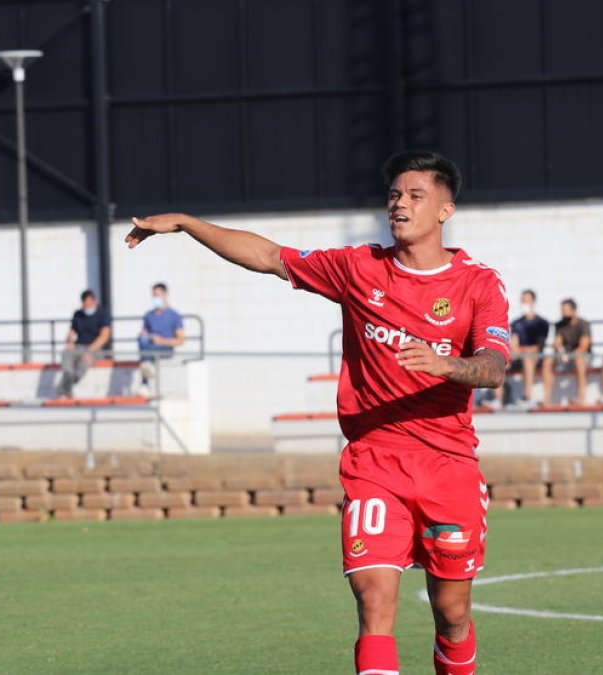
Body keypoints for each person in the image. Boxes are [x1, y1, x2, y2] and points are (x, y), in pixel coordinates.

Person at [126, 150, 508, 675]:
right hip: (375, 460)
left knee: (453, 613)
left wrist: (446, 364)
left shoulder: (478, 283)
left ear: (446, 210)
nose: (400, 205)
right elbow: (269, 256)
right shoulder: (359, 267)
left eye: (416, 196)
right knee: (374, 602)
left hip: (449, 465)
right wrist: (190, 225)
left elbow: (493, 366)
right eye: (395, 195)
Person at [496, 289, 548, 409]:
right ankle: (497, 397)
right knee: (499, 359)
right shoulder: (516, 323)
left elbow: (539, 346)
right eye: (523, 300)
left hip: (535, 358)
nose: (524, 303)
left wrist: (521, 350)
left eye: (527, 300)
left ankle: (527, 396)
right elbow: (514, 343)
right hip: (519, 356)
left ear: (533, 302)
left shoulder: (542, 323)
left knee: (528, 357)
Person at [56, 290, 112, 399]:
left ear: (95, 302)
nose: (87, 307)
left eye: (90, 304)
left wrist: (90, 351)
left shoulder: (103, 314)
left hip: (95, 348)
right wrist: (70, 342)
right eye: (85, 305)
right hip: (78, 346)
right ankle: (67, 383)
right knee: (66, 354)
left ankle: (63, 390)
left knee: (83, 363)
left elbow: (104, 336)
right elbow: (72, 332)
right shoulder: (78, 314)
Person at [136, 283, 185, 396]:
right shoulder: (148, 315)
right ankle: (147, 367)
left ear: (165, 295)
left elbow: (181, 340)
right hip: (150, 347)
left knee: (146, 349)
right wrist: (145, 334)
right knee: (142, 339)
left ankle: (145, 381)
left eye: (158, 295)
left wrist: (161, 340)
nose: (156, 298)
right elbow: (145, 334)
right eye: (154, 295)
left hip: (165, 348)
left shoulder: (174, 315)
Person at [542, 298, 592, 406]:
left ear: (574, 310)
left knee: (579, 359)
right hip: (566, 355)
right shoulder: (560, 324)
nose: (563, 312)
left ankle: (580, 398)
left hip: (581, 356)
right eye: (562, 310)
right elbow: (557, 342)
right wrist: (561, 352)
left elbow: (584, 345)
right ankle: (546, 399)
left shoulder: (583, 324)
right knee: (548, 361)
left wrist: (570, 356)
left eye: (566, 310)